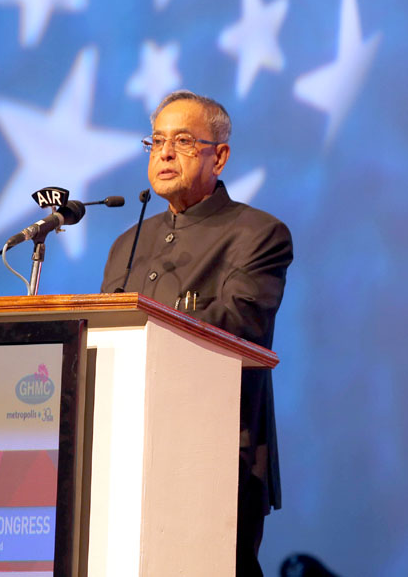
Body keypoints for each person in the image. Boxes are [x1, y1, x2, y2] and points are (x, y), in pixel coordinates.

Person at [101, 90, 293, 576]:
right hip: (121, 449)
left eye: (183, 141)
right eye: (157, 141)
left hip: (215, 454)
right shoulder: (128, 243)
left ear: (219, 157)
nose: (165, 153)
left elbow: (240, 326)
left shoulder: (258, 234)